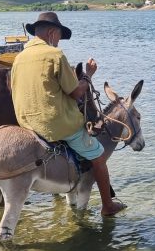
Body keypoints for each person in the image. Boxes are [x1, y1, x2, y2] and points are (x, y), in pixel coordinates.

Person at [10, 12, 126, 216]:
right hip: (54, 124)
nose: (58, 42)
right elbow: (76, 92)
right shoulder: (55, 55)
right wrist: (88, 75)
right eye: (59, 37)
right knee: (98, 155)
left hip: (26, 122)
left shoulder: (19, 57)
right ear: (53, 32)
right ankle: (108, 206)